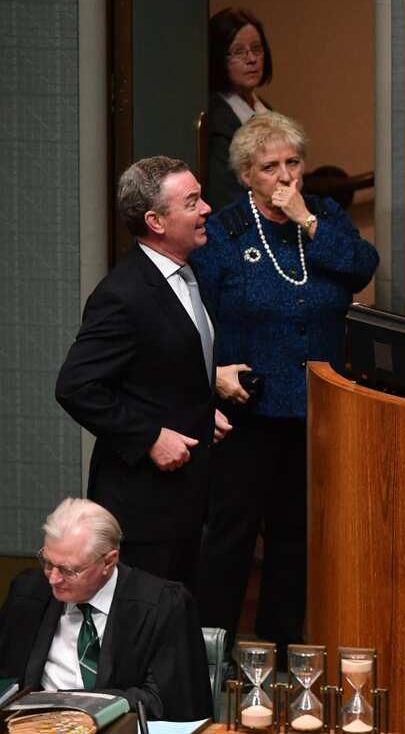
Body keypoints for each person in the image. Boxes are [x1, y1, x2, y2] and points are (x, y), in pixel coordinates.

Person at [190, 111, 378, 654]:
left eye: (293, 162)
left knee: (295, 539)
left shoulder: (324, 215)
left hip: (318, 411)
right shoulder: (224, 233)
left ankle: (281, 653)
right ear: (247, 175)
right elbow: (194, 318)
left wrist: (308, 221)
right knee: (231, 538)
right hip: (247, 408)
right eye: (270, 166)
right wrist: (209, 381)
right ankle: (211, 657)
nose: (285, 176)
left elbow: (362, 266)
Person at [56, 156, 230, 590]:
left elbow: (161, 367)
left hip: (188, 497)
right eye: (192, 202)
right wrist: (150, 435)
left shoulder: (189, 274)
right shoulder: (123, 294)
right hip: (143, 506)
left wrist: (200, 409)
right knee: (144, 630)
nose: (207, 208)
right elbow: (77, 386)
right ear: (155, 220)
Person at [0, 499, 212, 720]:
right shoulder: (28, 593)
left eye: (68, 570)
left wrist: (73, 704)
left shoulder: (162, 605)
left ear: (109, 562)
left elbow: (166, 703)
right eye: (47, 563)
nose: (53, 579)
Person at [205, 8, 275, 210]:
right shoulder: (216, 120)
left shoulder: (267, 111)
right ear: (219, 58)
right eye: (238, 51)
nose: (252, 59)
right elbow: (225, 200)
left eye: (256, 48)